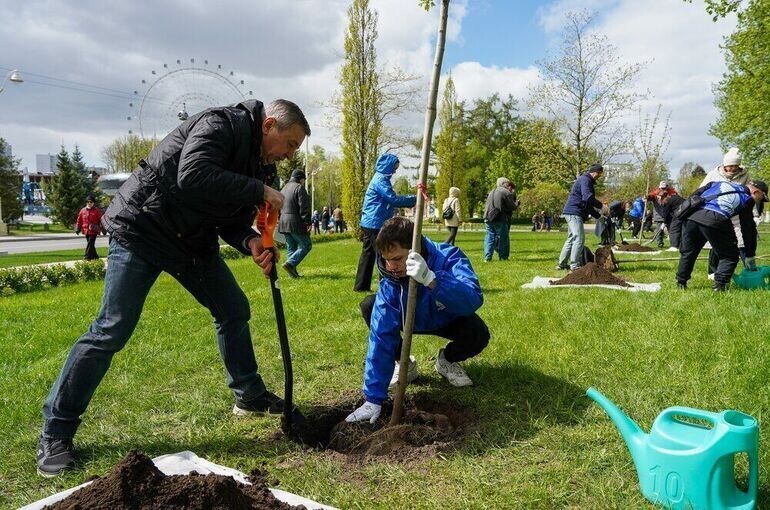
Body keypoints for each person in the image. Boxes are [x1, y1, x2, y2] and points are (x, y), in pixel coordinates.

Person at [36, 98, 309, 477]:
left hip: (190, 242)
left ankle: (249, 395)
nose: (288, 155)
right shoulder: (221, 125)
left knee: (233, 308)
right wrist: (257, 191)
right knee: (112, 328)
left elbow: (229, 219)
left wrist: (250, 242)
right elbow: (193, 174)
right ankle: (56, 431)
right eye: (291, 144)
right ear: (269, 126)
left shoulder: (259, 167)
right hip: (142, 228)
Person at [345, 217, 489, 423]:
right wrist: (373, 399)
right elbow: (381, 338)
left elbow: (472, 299)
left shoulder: (447, 257)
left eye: (397, 258)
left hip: (446, 316)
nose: (391, 266)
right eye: (386, 259)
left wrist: (433, 280)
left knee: (478, 333)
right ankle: (403, 363)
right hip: (407, 319)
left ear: (416, 249)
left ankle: (447, 360)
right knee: (370, 305)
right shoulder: (390, 284)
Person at [676, 180, 768, 291]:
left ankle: (681, 283)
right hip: (716, 218)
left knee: (688, 252)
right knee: (730, 255)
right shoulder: (747, 198)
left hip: (692, 216)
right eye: (762, 198)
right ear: (756, 192)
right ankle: (719, 287)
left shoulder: (716, 183)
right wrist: (749, 255)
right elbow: (748, 229)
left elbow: (694, 195)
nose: (760, 202)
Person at [353, 153, 416, 292]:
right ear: (388, 166)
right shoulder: (381, 179)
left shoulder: (379, 178)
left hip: (370, 221)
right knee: (383, 255)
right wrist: (414, 199)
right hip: (375, 223)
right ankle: (388, 286)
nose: (394, 171)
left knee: (368, 255)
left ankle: (361, 286)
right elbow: (392, 199)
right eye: (394, 168)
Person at [700, 147, 751, 278]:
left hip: (736, 213)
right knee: (716, 242)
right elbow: (701, 190)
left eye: (736, 165)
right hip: (717, 212)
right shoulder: (713, 174)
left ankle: (749, 271)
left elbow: (749, 193)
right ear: (725, 165)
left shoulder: (745, 175)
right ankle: (712, 272)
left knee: (741, 241)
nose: (733, 169)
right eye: (730, 166)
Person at [556, 163, 604, 270]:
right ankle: (575, 265)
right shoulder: (585, 180)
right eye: (599, 174)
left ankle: (562, 264)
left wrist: (598, 216)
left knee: (571, 238)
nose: (599, 176)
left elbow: (587, 204)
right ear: (596, 172)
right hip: (574, 212)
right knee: (579, 238)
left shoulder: (585, 180)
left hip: (572, 211)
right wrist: (601, 206)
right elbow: (588, 198)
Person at [279, 169, 312, 278]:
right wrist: (307, 222)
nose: (303, 182)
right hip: (295, 222)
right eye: (303, 179)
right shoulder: (299, 188)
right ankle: (290, 263)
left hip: (283, 222)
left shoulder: (283, 188)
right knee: (306, 245)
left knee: (291, 247)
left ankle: (292, 275)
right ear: (301, 179)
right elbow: (304, 207)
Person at [483, 177, 518, 261]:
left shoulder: (491, 191)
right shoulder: (506, 192)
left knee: (489, 237)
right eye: (507, 183)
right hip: (499, 217)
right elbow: (512, 207)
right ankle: (503, 257)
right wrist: (517, 203)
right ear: (504, 183)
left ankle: (487, 258)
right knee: (503, 238)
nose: (508, 185)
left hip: (488, 217)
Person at [647, 181, 677, 248]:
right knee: (659, 230)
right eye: (662, 188)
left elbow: (676, 197)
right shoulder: (655, 193)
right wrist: (648, 197)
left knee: (672, 230)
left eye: (664, 188)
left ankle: (674, 244)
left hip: (669, 215)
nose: (663, 189)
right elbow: (650, 197)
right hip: (659, 215)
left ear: (667, 187)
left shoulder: (672, 192)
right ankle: (660, 243)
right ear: (659, 187)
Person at [74, 194, 104, 260]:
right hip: (86, 231)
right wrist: (77, 228)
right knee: (91, 244)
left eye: (91, 202)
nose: (89, 203)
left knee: (90, 243)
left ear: (93, 203)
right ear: (86, 202)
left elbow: (101, 220)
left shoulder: (97, 210)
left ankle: (87, 256)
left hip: (94, 230)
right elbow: (79, 220)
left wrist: (103, 229)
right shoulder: (83, 210)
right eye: (88, 202)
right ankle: (96, 257)